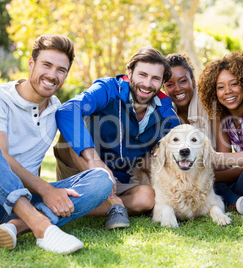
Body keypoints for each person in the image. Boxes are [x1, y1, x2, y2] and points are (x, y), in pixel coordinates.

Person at [0, 34, 114, 254]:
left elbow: (35, 159)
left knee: (102, 179)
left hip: (25, 202)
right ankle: (41, 227)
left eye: (61, 70)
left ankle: (16, 226)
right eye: (46, 65)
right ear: (31, 64)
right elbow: (1, 156)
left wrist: (50, 189)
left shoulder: (54, 109)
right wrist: (45, 188)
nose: (52, 75)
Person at [54, 47, 180, 229]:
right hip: (82, 170)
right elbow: (67, 111)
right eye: (142, 75)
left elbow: (182, 151)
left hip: (119, 181)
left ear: (161, 82)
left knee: (147, 197)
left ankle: (73, 206)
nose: (147, 83)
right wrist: (94, 161)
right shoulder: (108, 89)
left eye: (155, 79)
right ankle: (115, 205)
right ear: (130, 72)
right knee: (67, 139)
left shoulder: (166, 114)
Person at [197, 51, 243, 214]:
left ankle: (236, 200)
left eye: (234, 84)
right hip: (241, 173)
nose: (227, 91)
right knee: (214, 185)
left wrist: (212, 175)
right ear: (214, 92)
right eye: (220, 87)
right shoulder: (221, 116)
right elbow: (222, 162)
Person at [163, 53, 217, 148]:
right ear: (164, 88)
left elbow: (223, 153)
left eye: (183, 81)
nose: (178, 89)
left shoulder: (209, 102)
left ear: (193, 81)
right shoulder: (164, 111)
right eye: (170, 85)